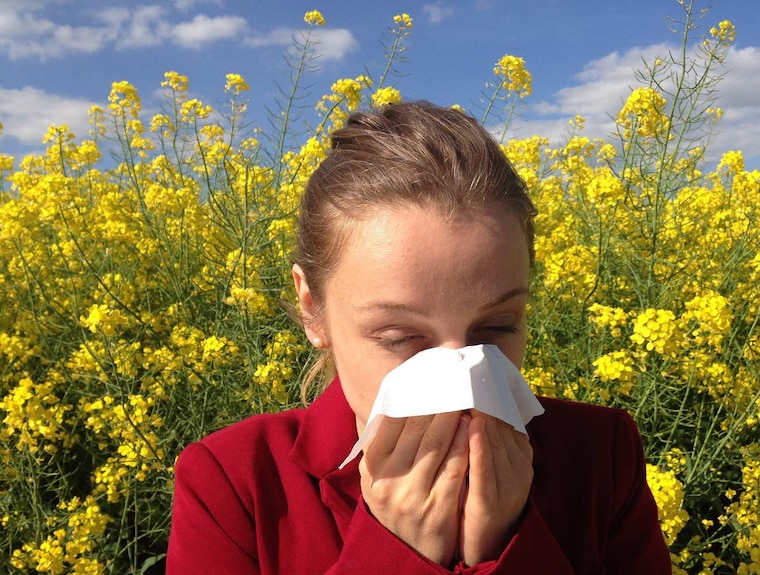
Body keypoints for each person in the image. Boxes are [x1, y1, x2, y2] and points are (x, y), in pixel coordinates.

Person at [166, 101, 672, 574]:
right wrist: (394, 551)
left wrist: (505, 546)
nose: (463, 378)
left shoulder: (600, 455)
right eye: (400, 336)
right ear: (312, 309)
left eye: (497, 327)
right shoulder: (236, 484)